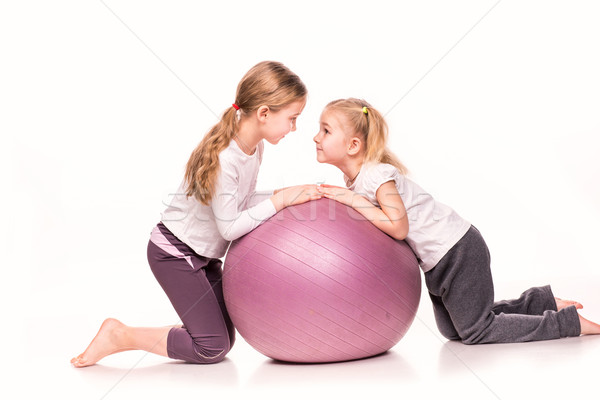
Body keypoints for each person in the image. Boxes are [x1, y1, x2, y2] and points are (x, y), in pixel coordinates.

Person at [71, 61, 322, 367]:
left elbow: (239, 201)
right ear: (264, 113)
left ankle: (179, 331)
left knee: (224, 340)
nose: (294, 128)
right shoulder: (225, 157)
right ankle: (120, 335)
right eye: (292, 119)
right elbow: (230, 226)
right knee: (212, 347)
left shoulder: (253, 147)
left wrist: (288, 193)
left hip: (203, 256)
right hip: (174, 254)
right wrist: (281, 201)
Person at [314, 97, 600, 344]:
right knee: (453, 330)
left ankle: (567, 324)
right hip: (438, 262)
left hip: (457, 250)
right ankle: (541, 303)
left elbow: (398, 227)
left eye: (325, 131)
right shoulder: (356, 180)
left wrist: (354, 202)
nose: (316, 137)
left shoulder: (375, 176)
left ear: (353, 145)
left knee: (476, 331)